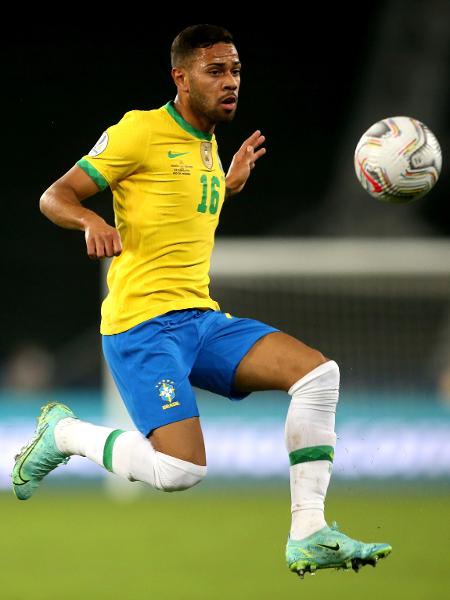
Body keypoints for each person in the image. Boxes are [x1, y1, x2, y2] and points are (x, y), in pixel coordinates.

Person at [12, 24, 391, 577]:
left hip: (201, 321)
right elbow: (55, 195)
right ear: (181, 78)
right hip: (142, 328)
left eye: (235, 70)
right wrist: (90, 219)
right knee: (181, 472)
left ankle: (308, 531)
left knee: (319, 375)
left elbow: (181, 208)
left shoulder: (208, 147)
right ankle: (62, 433)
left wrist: (226, 184)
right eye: (216, 71)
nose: (230, 82)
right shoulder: (138, 131)